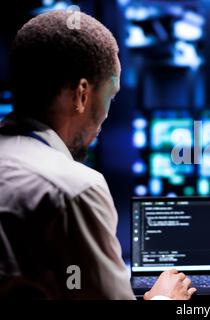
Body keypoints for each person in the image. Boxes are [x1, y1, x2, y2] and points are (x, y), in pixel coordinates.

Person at [0, 10, 196, 300]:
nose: (105, 117)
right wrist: (163, 298)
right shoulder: (73, 190)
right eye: (109, 96)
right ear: (81, 94)